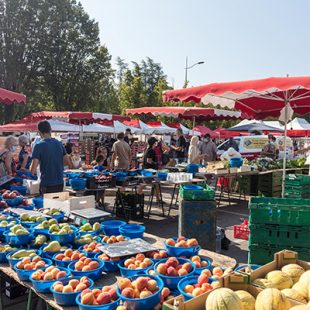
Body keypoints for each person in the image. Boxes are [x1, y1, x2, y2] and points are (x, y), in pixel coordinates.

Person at [30, 120, 72, 194]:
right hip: (59, 183)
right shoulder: (59, 143)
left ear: (39, 132)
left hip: (46, 184)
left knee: (47, 205)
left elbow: (32, 170)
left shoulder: (38, 146)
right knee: (57, 205)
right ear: (50, 130)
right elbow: (67, 163)